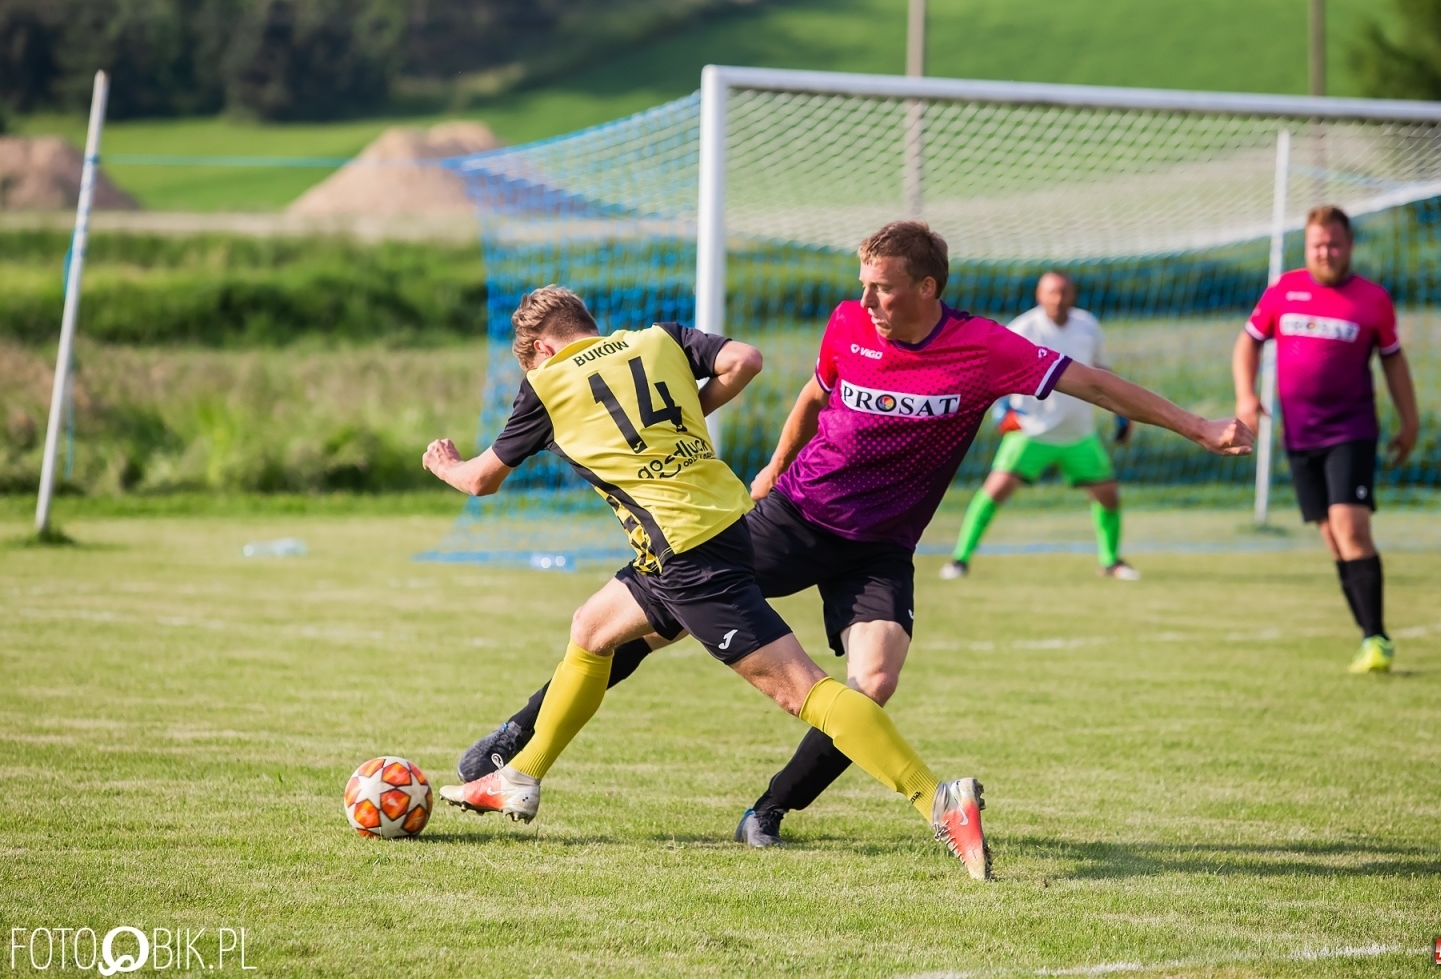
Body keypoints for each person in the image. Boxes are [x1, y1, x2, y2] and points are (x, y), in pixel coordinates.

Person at [461, 222, 1253, 849]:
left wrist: (1199, 427)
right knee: (642, 619)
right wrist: (772, 468)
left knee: (871, 682)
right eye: (863, 285)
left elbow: (1097, 384)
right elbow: (810, 396)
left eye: (882, 287)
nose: (867, 300)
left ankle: (768, 811)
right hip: (794, 516)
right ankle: (515, 743)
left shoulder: (985, 351)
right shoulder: (847, 325)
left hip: (879, 548)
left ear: (927, 287)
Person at [423, 284, 994, 879]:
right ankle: (519, 776)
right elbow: (744, 359)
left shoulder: (546, 386)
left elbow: (482, 481)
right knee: (592, 630)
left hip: (685, 552)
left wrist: (446, 465)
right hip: (723, 525)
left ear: (541, 346)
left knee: (800, 690)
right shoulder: (655, 339)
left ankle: (938, 801)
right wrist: (691, 413)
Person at [1233, 205, 1419, 674]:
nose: (1326, 252)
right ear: (1306, 246)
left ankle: (1377, 639)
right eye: (1317, 243)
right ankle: (1368, 639)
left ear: (1349, 245)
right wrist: (1245, 396)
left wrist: (1409, 420)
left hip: (1351, 431)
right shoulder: (1284, 291)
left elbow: (1394, 360)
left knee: (1351, 527)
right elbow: (1248, 342)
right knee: (1334, 539)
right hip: (1300, 435)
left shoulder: (1372, 300)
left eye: (1334, 243)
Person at [941, 271, 1139, 582]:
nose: (1059, 299)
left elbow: (1102, 371)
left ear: (1073, 295)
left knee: (1108, 495)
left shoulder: (1087, 325)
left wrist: (1122, 414)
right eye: (1052, 292)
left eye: (1064, 292)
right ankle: (959, 559)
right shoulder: (1023, 328)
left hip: (1078, 433)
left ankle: (1110, 561)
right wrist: (1002, 410)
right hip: (1032, 431)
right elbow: (992, 373)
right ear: (1039, 295)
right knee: (994, 491)